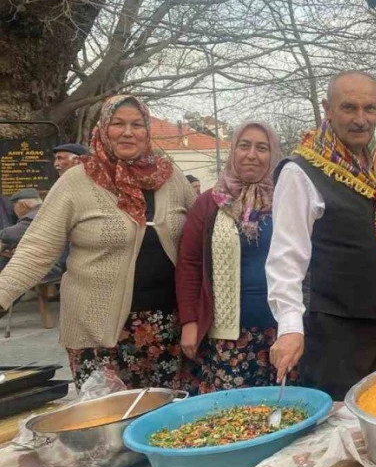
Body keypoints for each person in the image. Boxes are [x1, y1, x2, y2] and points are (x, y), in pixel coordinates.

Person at [0, 96, 195, 390]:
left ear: (147, 131)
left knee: (162, 425)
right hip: (98, 333)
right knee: (106, 427)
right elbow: (37, 249)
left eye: (136, 124)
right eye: (118, 124)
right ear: (103, 128)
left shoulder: (171, 178)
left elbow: (204, 234)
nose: (128, 132)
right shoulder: (76, 182)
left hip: (166, 330)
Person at [266, 71, 376, 400]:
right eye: (349, 108)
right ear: (327, 109)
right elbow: (286, 257)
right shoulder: (301, 171)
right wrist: (289, 327)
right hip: (336, 332)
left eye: (370, 109)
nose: (360, 119)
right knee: (339, 426)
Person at [177, 121, 289, 392]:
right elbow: (189, 265)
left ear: (273, 154)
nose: (252, 154)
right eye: (244, 145)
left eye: (262, 148)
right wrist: (189, 322)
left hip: (283, 331)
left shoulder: (287, 199)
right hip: (228, 336)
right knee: (236, 418)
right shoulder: (210, 203)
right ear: (233, 151)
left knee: (285, 409)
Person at [0, 189, 65, 279]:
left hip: (52, 267)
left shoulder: (34, 217)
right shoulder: (49, 211)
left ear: (22, 205)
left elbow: (11, 234)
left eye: (14, 207)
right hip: (61, 262)